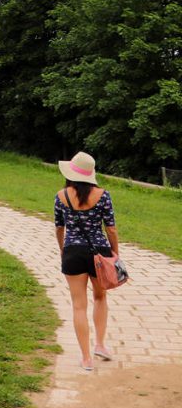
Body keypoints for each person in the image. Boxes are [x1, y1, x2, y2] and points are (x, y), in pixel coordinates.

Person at [54, 151, 120, 371]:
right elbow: (110, 228)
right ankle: (100, 345)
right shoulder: (103, 195)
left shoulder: (61, 195)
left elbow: (59, 228)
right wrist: (115, 252)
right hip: (99, 252)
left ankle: (85, 358)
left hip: (73, 251)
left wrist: (63, 250)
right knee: (100, 298)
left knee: (78, 306)